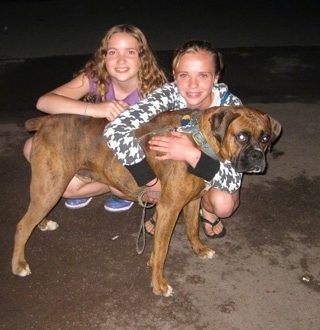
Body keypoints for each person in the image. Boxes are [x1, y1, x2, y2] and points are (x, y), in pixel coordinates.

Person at [104, 39, 242, 237]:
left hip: (210, 170)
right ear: (175, 77)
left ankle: (207, 210)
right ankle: (167, 202)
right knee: (119, 187)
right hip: (170, 169)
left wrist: (191, 154)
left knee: (224, 205)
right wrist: (151, 183)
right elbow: (114, 131)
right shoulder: (167, 95)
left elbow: (231, 181)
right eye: (184, 75)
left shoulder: (233, 109)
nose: (193, 85)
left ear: (216, 77)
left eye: (203, 75)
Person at [23, 24, 168, 212]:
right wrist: (95, 109)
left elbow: (158, 149)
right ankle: (107, 187)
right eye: (113, 52)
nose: (121, 60)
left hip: (128, 163)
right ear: (104, 57)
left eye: (130, 52)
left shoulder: (156, 92)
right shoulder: (96, 78)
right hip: (93, 149)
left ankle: (119, 190)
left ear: (143, 57)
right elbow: (44, 102)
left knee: (120, 184)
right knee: (33, 148)